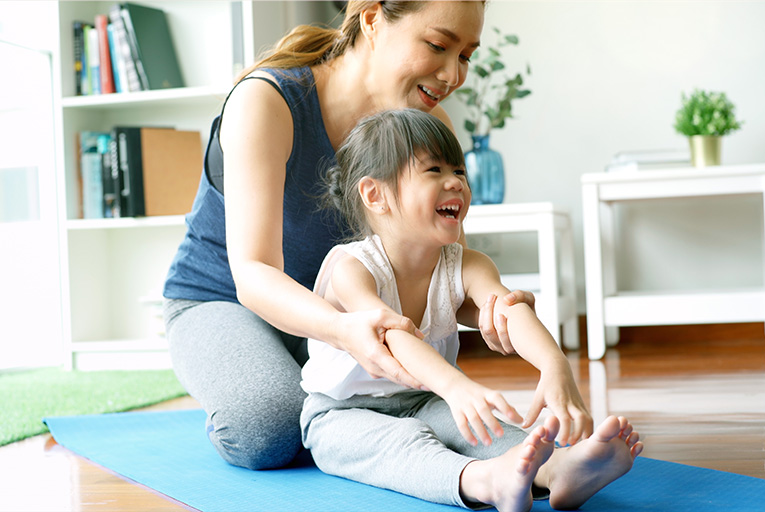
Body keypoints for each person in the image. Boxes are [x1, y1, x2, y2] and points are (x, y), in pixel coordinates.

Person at [162, 1, 535, 471]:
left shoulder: (430, 129)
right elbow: (253, 273)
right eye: (439, 46)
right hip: (220, 299)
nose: (452, 74)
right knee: (266, 427)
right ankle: (267, 387)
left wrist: (494, 307)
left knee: (438, 406)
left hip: (350, 312)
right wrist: (342, 331)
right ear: (374, 18)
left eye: (465, 56)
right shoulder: (266, 102)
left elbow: (443, 272)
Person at [299, 108, 643, 512]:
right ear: (375, 195)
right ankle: (483, 481)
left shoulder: (467, 263)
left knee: (485, 430)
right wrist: (456, 387)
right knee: (403, 446)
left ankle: (559, 472)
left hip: (425, 398)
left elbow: (508, 309)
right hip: (340, 412)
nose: (456, 182)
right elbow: (392, 337)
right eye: (433, 170)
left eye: (459, 171)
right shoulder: (352, 269)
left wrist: (554, 364)